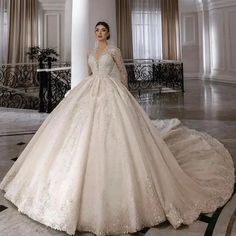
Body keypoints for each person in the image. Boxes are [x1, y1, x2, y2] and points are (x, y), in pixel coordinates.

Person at [0, 21, 235, 236]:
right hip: (90, 91)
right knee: (77, 135)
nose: (100, 33)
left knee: (119, 136)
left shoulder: (114, 51)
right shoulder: (90, 52)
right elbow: (92, 73)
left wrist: (124, 95)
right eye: (97, 30)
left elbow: (122, 73)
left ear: (108, 33)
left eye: (103, 30)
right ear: (95, 33)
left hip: (113, 92)